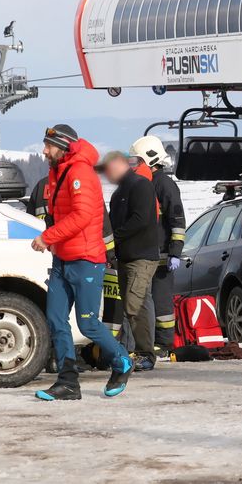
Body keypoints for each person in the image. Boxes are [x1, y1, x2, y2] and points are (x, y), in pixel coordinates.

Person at [30, 125, 133, 400]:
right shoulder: (58, 171)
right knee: (55, 319)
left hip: (86, 260)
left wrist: (47, 236)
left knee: (87, 324)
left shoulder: (79, 173)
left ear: (62, 147)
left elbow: (82, 216)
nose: (44, 150)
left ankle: (121, 360)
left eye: (49, 145)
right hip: (63, 258)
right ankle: (67, 382)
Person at [100, 151, 160, 372]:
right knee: (130, 305)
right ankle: (132, 352)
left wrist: (116, 237)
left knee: (136, 306)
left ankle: (146, 354)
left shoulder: (141, 186)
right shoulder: (118, 194)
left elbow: (141, 220)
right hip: (125, 257)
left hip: (141, 257)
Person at [129, 136, 186, 352]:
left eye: (138, 161)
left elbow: (177, 221)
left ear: (150, 159)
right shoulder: (142, 184)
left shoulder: (164, 184)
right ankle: (147, 341)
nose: (135, 165)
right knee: (144, 302)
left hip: (162, 257)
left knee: (162, 304)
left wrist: (175, 252)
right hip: (144, 255)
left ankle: (163, 343)